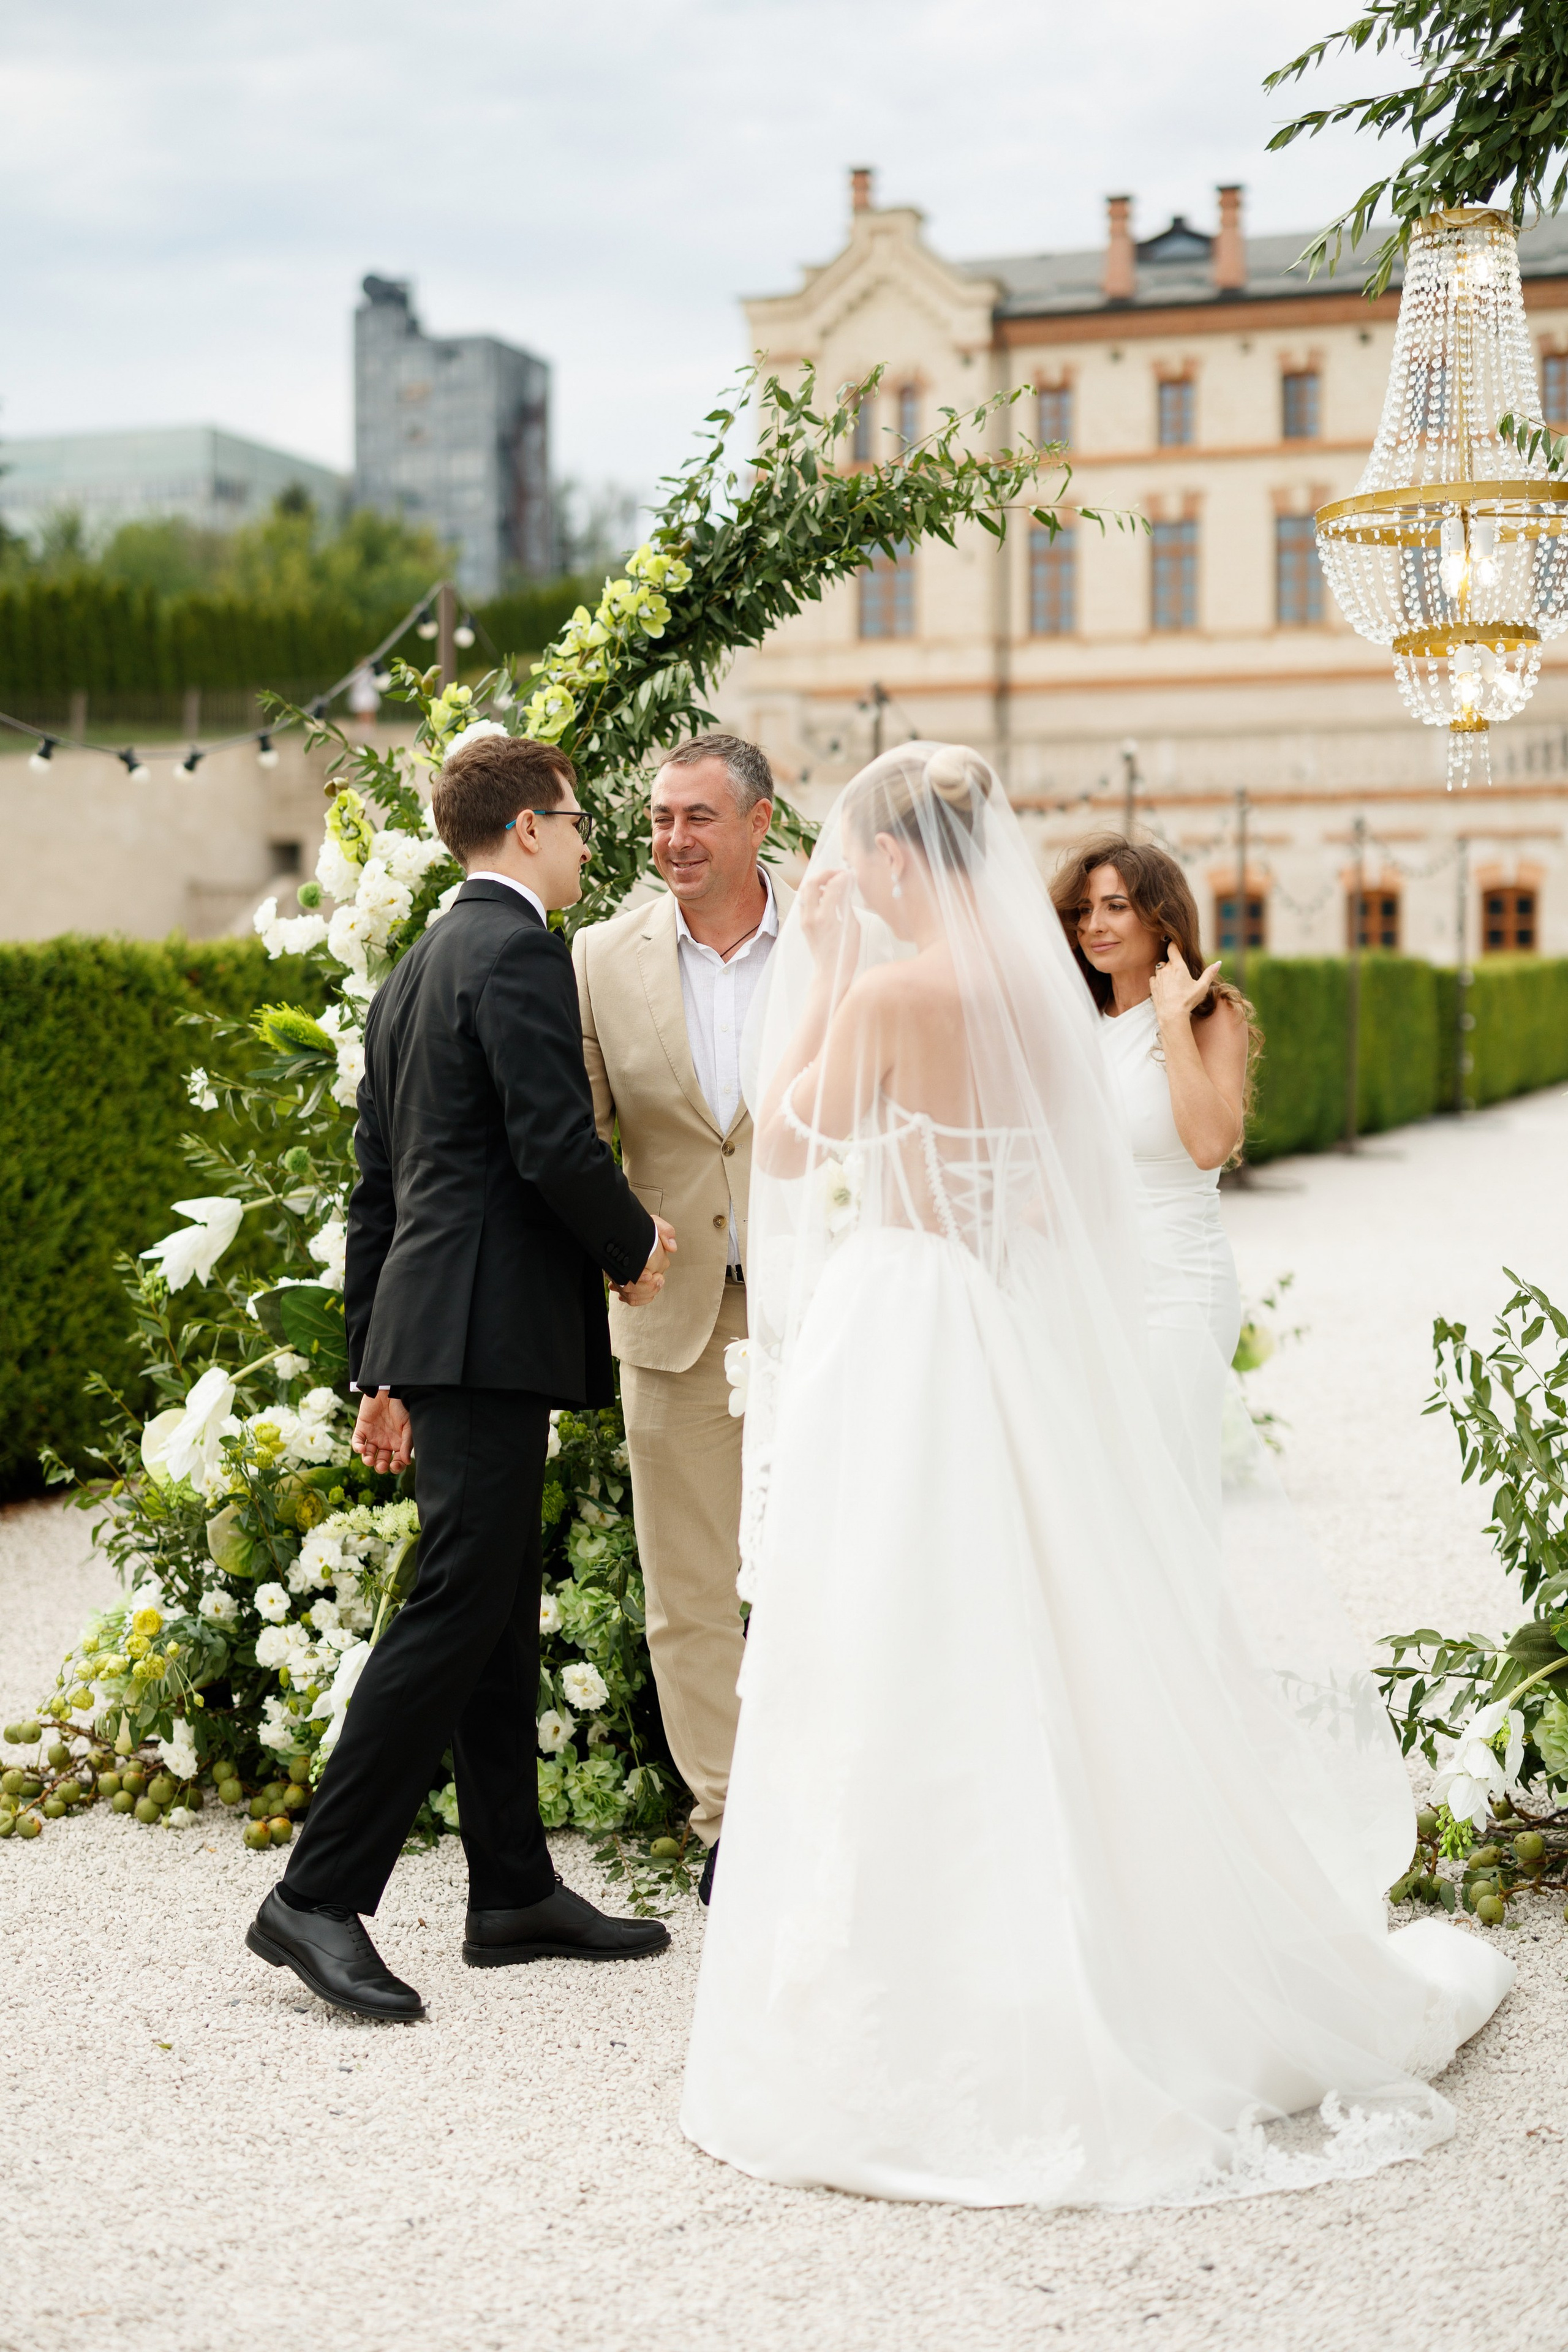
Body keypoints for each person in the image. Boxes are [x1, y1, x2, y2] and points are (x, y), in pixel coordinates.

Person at [680, 742, 1510, 2210]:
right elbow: (1065, 1191)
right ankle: (1100, 1930)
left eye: (857, 864)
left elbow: (789, 1129)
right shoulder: (1034, 1007)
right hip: (997, 1324)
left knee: (884, 1628)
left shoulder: (884, 989)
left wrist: (813, 965)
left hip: (901, 1317)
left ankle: (913, 1965)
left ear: (887, 864)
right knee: (1033, 1618)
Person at [246, 733, 674, 2021]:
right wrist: (632, 1240)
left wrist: (378, 1362)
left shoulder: (416, 969)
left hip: (444, 1334)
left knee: (489, 1601)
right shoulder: (520, 953)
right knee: (457, 1602)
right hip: (490, 1333)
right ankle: (315, 1897)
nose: (592, 844)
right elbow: (553, 1143)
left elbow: (377, 1187)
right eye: (583, 821)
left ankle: (510, 1890)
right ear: (531, 828)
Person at [572, 734, 793, 1904]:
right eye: (661, 819)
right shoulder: (602, 957)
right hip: (674, 1323)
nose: (673, 840)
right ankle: (732, 1823)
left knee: (830, 1569)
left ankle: (834, 1809)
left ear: (761, 823)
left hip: (819, 1313)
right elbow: (577, 1133)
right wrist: (613, 1245)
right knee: (689, 1587)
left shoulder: (837, 937)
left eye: (698, 818)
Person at [1050, 835, 1252, 1535]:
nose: (1093, 926)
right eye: (1083, 911)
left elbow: (1207, 1145)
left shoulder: (1208, 1014)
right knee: (1091, 1501)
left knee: (1162, 1496)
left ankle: (1184, 1644)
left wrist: (1168, 1020)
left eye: (1115, 907)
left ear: (1158, 918)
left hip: (1176, 1286)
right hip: (1081, 1288)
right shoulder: (1065, 1024)